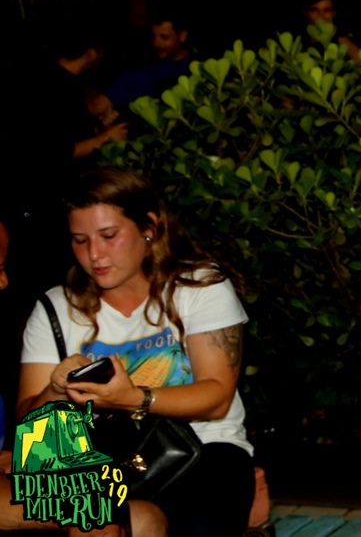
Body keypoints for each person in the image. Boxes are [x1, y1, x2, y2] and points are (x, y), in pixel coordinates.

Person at [18, 168, 254, 536]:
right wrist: (56, 390)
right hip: (97, 457)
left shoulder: (199, 287)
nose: (94, 254)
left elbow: (216, 398)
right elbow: (29, 428)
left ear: (149, 227)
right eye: (80, 240)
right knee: (89, 515)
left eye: (109, 236)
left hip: (201, 447)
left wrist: (132, 398)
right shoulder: (57, 307)